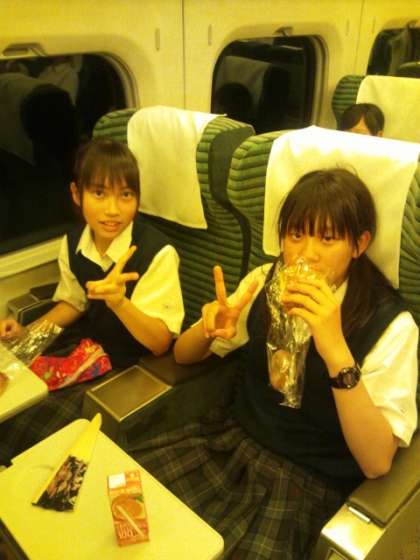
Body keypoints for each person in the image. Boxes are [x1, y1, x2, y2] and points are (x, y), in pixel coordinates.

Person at [131, 168, 418, 559]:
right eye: (296, 234)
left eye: (327, 238)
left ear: (359, 244)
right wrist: (208, 329)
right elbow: (183, 356)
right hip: (231, 443)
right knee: (131, 511)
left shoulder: (391, 325)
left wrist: (335, 348)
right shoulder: (265, 280)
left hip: (305, 484)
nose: (306, 253)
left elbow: (377, 461)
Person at [0, 138, 184, 462]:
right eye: (99, 193)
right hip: (86, 347)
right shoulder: (74, 242)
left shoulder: (157, 253)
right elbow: (73, 302)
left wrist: (119, 303)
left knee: (48, 436)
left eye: (125, 195)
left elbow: (160, 343)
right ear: (77, 193)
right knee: (14, 395)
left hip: (129, 367)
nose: (113, 210)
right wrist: (27, 335)